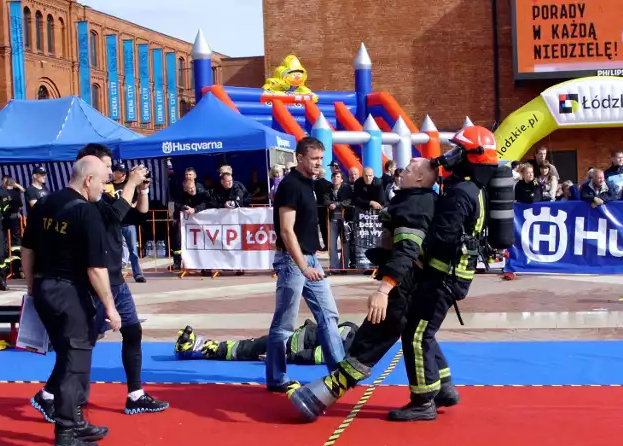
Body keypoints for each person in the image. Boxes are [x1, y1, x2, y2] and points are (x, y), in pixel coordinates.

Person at [288, 126, 502, 423]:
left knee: (413, 335)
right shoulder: (467, 190)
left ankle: (421, 401)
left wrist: (387, 285)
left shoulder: (437, 199)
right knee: (418, 330)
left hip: (437, 280)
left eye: (457, 151)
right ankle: (444, 388)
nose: (447, 157)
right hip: (440, 278)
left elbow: (434, 242)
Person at [30, 144, 169, 426]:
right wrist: (129, 183)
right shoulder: (85, 205)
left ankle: (135, 393)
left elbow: (136, 215)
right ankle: (53, 400)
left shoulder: (102, 197)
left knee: (132, 332)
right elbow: (115, 216)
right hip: (93, 283)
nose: (110, 173)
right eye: (105, 168)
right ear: (88, 172)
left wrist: (140, 189)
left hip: (115, 279)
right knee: (80, 347)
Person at [21, 156, 121, 446]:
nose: (105, 188)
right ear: (88, 180)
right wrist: (110, 307)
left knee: (73, 354)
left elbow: (27, 249)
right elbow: (95, 268)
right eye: (104, 181)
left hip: (45, 288)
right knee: (72, 362)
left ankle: (76, 421)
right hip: (70, 293)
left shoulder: (46, 205)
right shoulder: (86, 213)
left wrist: (31, 288)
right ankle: (65, 436)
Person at [266, 136, 346, 393]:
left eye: (321, 159)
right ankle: (277, 378)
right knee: (285, 323)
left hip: (309, 258)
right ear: (300, 158)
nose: (318, 164)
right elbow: (287, 231)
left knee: (329, 314)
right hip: (293, 260)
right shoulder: (290, 186)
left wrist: (312, 262)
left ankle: (339, 372)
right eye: (314, 159)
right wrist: (303, 266)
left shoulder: (309, 184)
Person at [174, 319, 359, 365]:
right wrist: (286, 357)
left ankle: (199, 346)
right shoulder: (351, 336)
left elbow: (321, 352)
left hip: (291, 341)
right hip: (290, 343)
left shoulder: (351, 330)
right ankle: (199, 346)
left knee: (246, 348)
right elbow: (321, 353)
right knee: (246, 348)